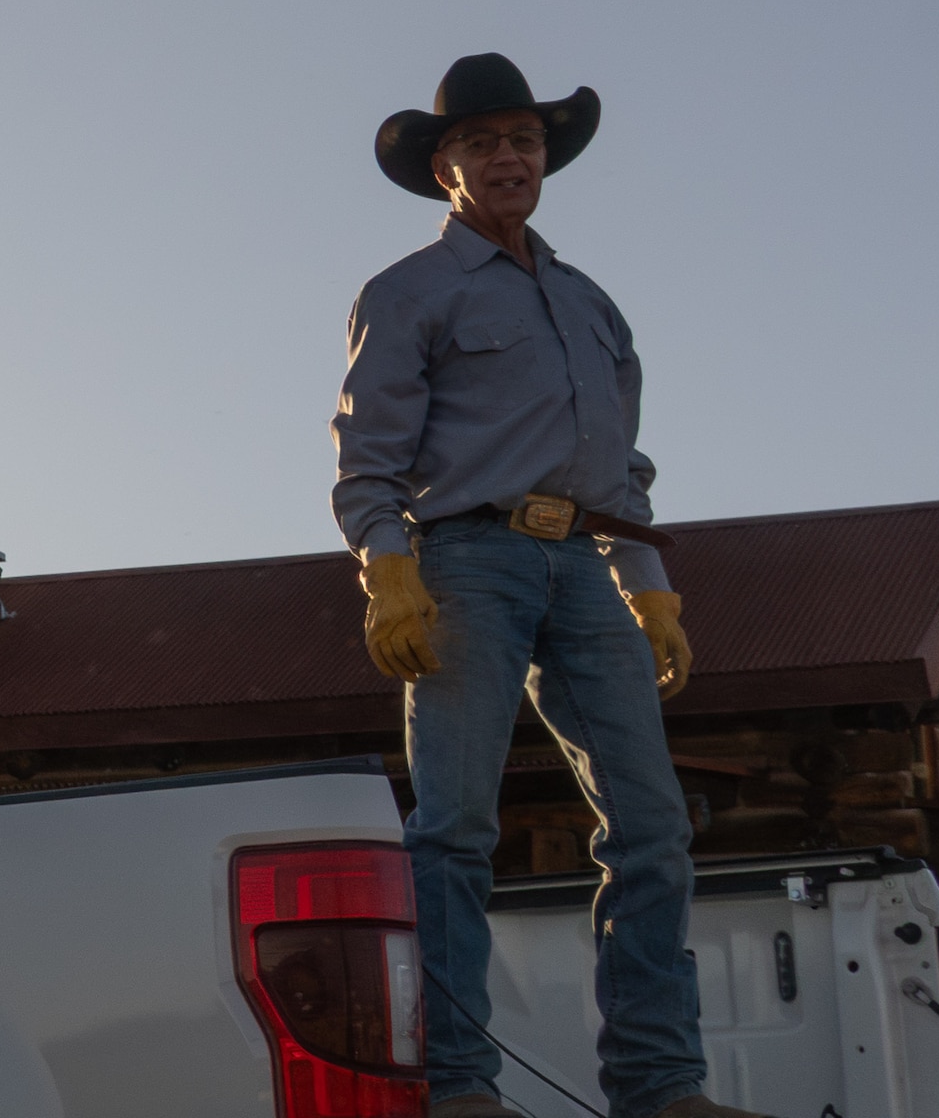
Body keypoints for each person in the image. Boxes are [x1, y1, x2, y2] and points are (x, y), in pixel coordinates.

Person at [335, 55, 759, 1118]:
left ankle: (662, 1090)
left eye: (521, 139)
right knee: (452, 827)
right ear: (445, 170)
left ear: (543, 158)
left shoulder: (589, 306)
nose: (507, 156)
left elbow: (621, 469)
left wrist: (648, 585)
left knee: (651, 826)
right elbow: (366, 457)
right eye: (481, 144)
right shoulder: (405, 293)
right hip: (462, 562)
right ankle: (455, 1090)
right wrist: (387, 570)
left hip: (586, 566)